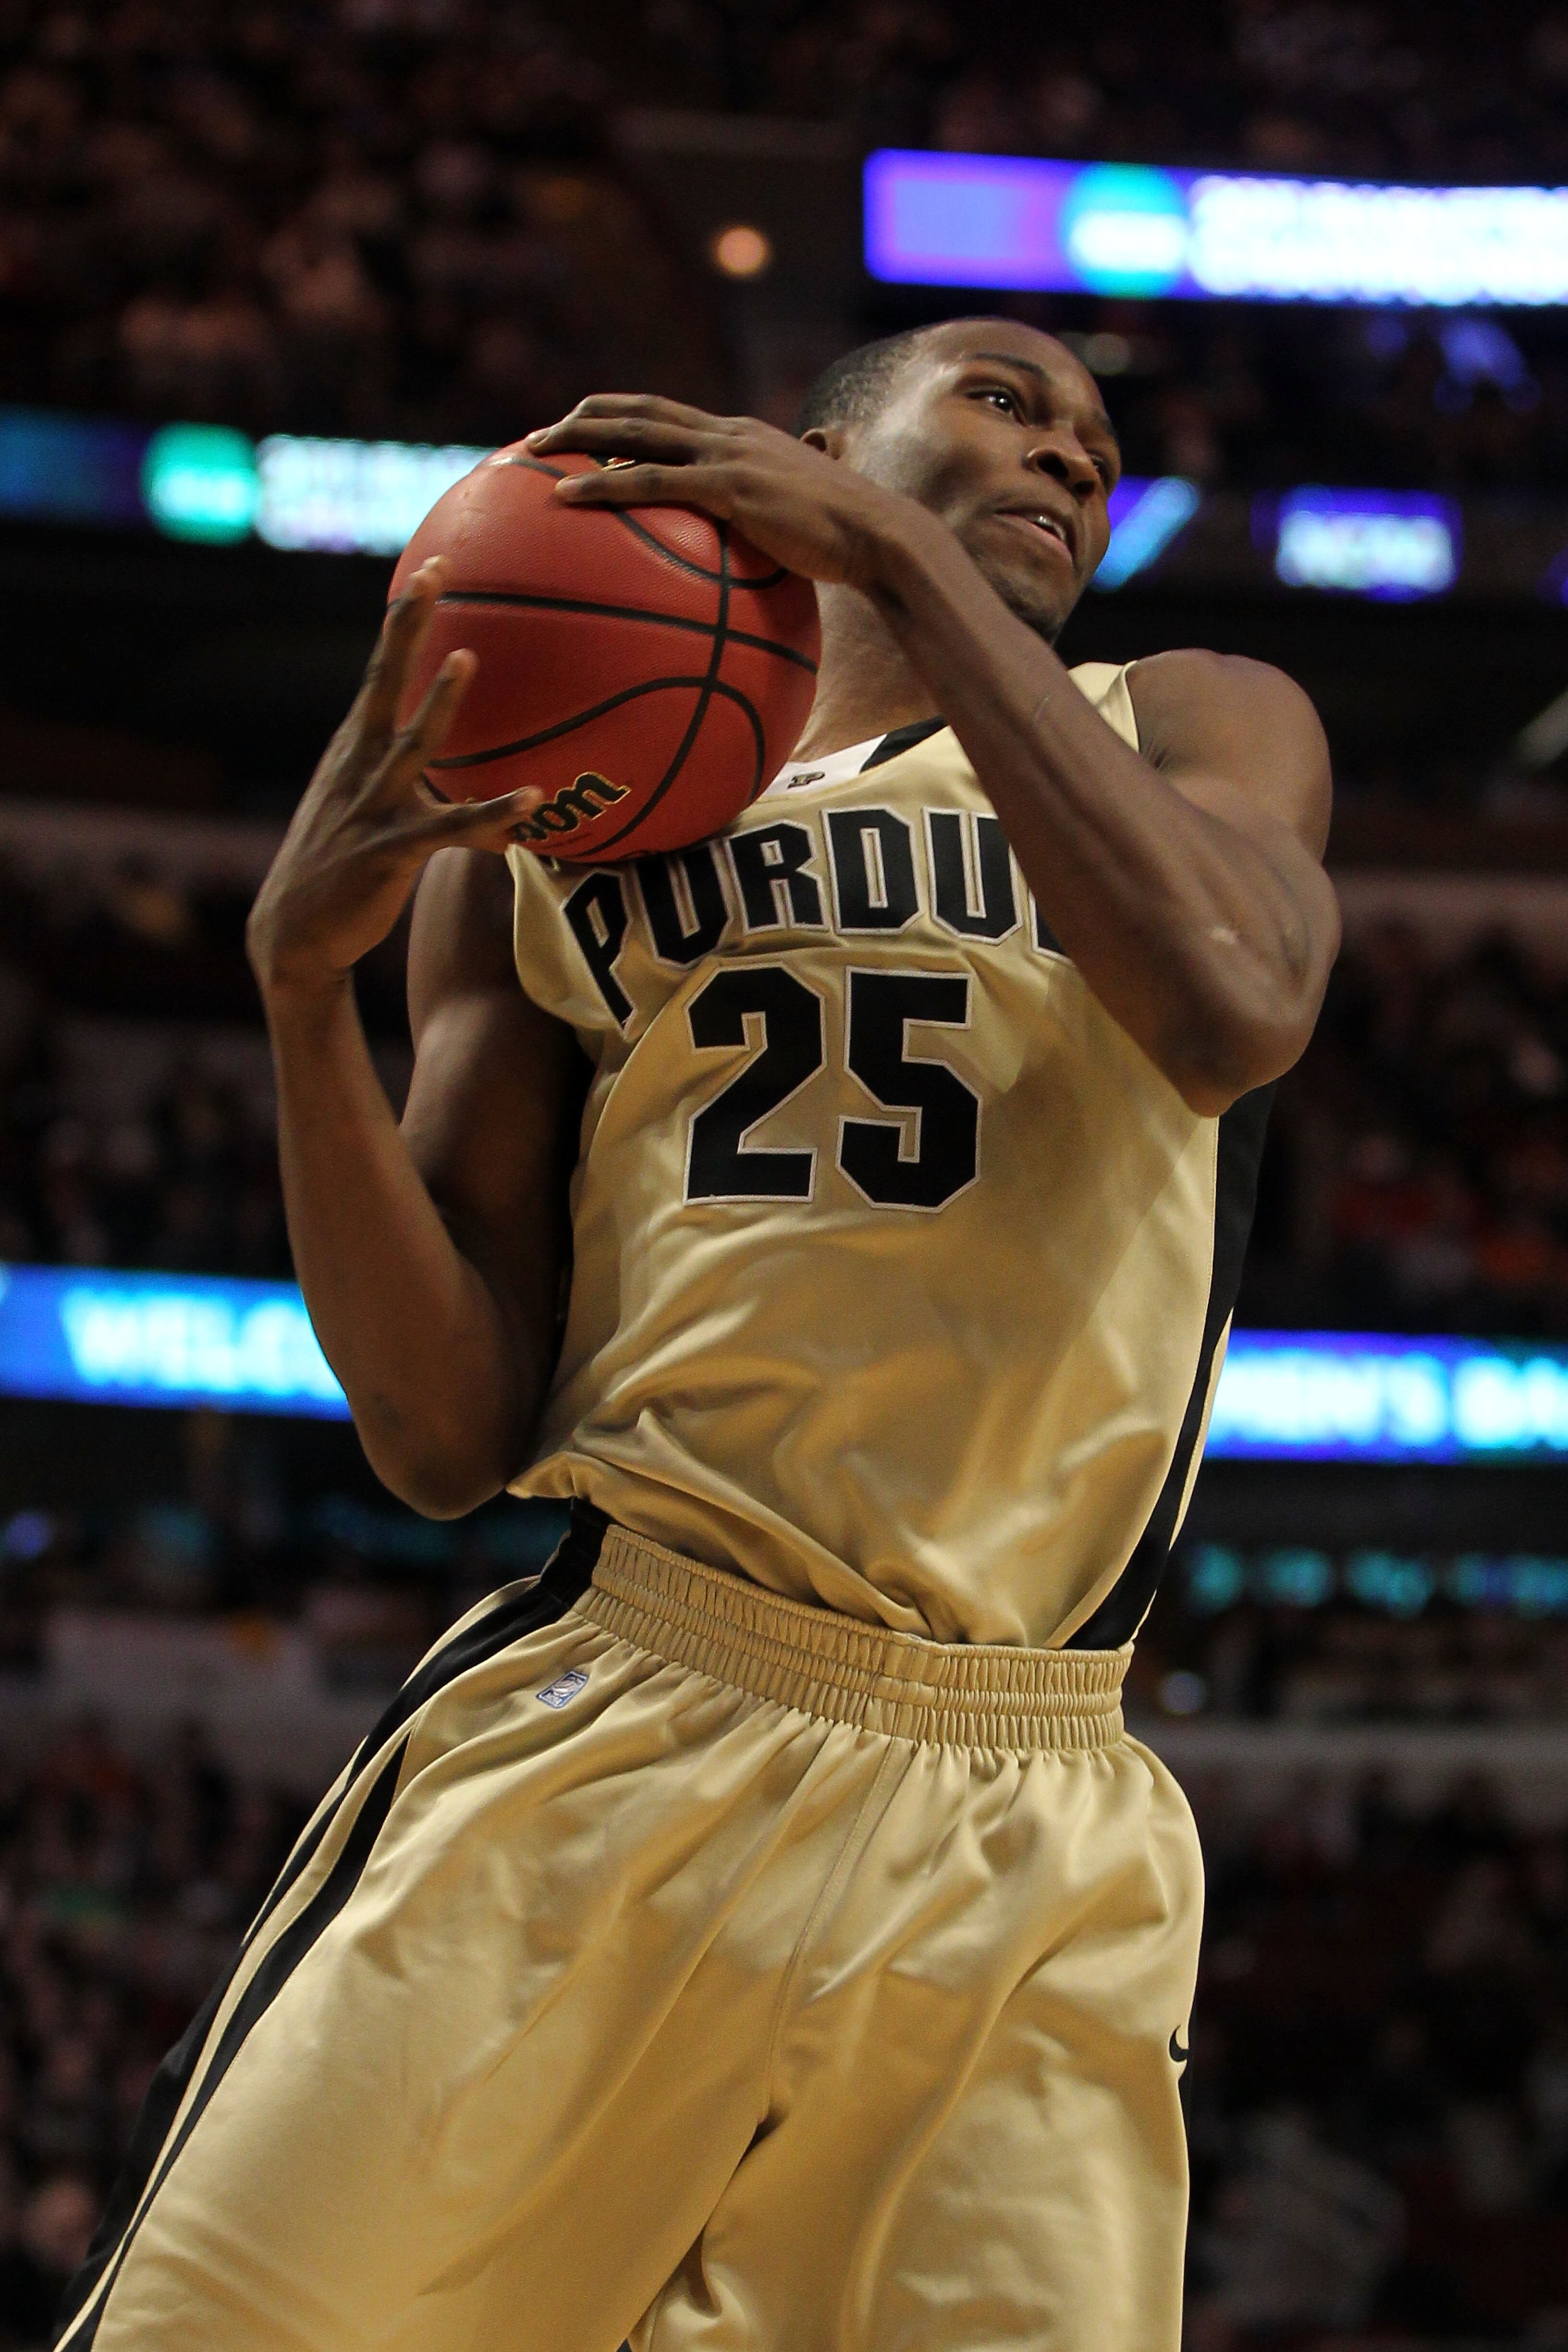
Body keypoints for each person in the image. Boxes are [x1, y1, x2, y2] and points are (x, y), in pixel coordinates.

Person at [59, 317, 1337, 2352]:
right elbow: (441, 1425)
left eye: (1096, 441)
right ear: (810, 449)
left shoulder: (1185, 717)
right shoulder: (561, 819)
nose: (1072, 454)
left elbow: (1232, 1009)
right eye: (1007, 399)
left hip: (1025, 1808)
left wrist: (904, 563)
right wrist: (304, 995)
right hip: (623, 1715)